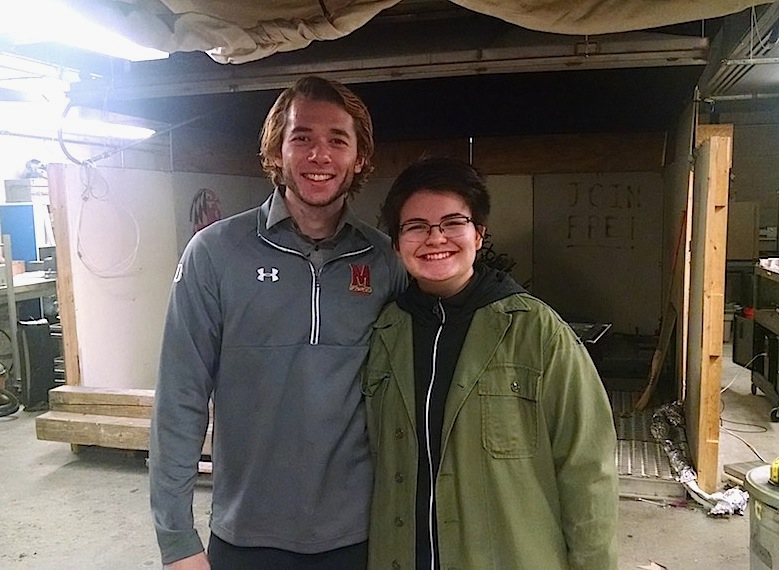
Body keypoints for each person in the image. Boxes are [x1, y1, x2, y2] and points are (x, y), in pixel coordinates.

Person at [149, 75, 407, 569]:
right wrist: (176, 537)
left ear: (358, 158)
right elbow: (180, 398)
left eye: (338, 140)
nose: (319, 155)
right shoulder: (214, 254)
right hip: (246, 537)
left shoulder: (382, 261)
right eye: (302, 137)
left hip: (361, 536)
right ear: (277, 149)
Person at [362, 156, 618, 569]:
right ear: (396, 243)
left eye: (453, 222)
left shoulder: (537, 333)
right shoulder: (385, 332)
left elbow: (587, 470)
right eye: (416, 226)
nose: (435, 238)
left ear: (478, 234)